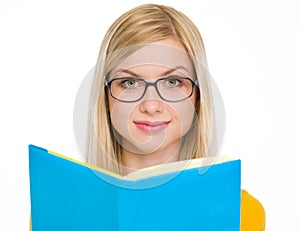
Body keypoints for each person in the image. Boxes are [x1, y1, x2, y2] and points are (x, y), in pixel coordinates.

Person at [85, 3, 265, 230]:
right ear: (105, 97)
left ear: (198, 96)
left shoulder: (241, 212)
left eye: (172, 82)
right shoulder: (61, 204)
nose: (151, 105)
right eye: (130, 82)